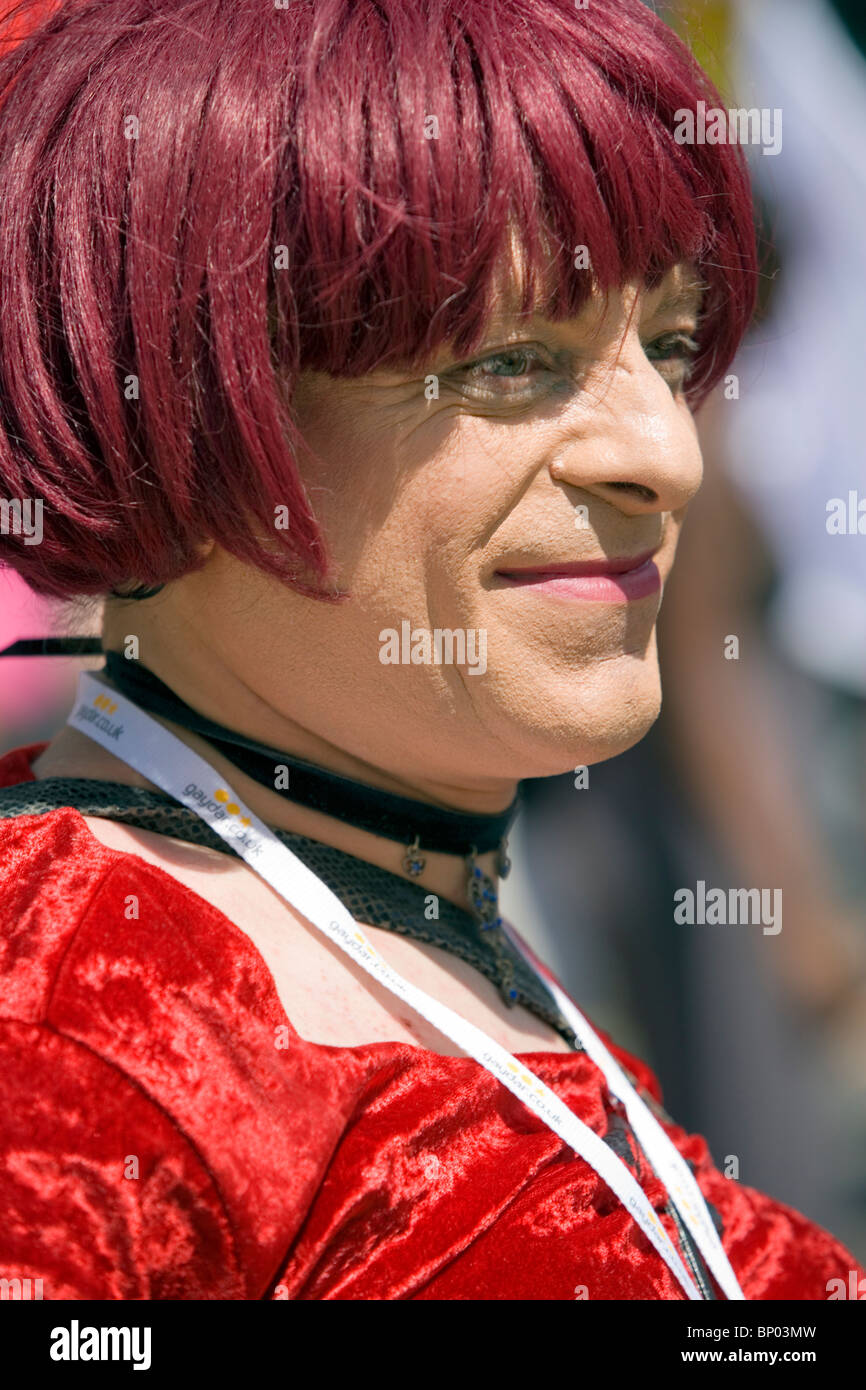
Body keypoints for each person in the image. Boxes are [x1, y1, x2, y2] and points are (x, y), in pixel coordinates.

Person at [0, 0, 860, 1300]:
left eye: (669, 344)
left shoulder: (380, 912)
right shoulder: (74, 1034)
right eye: (512, 360)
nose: (663, 454)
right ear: (192, 391)